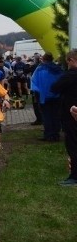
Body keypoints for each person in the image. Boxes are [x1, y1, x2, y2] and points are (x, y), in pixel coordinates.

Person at [50, 49, 77, 186]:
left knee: (73, 144)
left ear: (71, 60)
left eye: (68, 61)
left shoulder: (71, 75)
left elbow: (54, 87)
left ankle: (75, 176)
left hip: (72, 114)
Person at [30, 53, 62, 142]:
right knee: (56, 115)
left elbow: (34, 82)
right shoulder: (58, 69)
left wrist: (36, 94)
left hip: (44, 97)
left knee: (46, 116)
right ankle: (56, 134)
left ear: (43, 59)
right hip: (57, 96)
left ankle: (49, 135)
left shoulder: (40, 69)